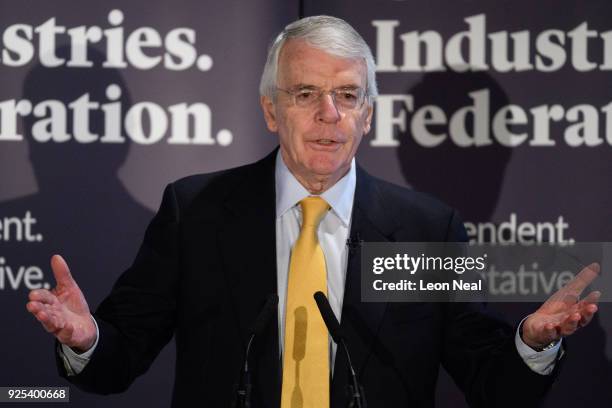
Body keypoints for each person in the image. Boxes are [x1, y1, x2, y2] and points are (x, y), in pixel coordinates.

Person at [26, 15, 600, 408]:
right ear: (271, 112)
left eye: (347, 95)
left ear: (368, 115)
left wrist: (530, 341)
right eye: (305, 94)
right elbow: (120, 358)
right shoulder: (196, 211)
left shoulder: (429, 229)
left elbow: (489, 378)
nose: (329, 114)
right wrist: (85, 340)